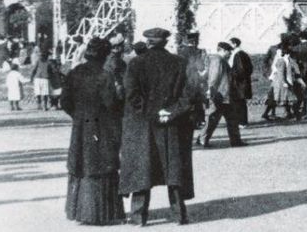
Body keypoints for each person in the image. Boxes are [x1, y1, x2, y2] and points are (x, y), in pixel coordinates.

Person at [119, 28, 195, 226]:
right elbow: (188, 95)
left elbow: (131, 94)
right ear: (165, 42)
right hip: (171, 124)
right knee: (173, 170)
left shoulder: (136, 63)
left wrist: (150, 112)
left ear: (148, 42)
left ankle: (138, 217)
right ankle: (179, 215)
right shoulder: (179, 62)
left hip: (144, 125)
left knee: (142, 169)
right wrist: (169, 111)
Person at [62, 38, 125, 225]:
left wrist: (78, 116)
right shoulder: (105, 76)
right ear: (104, 55)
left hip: (81, 126)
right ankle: (101, 213)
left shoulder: (74, 73)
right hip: (102, 126)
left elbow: (64, 101)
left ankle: (78, 211)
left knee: (81, 163)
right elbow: (110, 103)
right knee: (101, 164)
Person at [201, 42, 244, 148]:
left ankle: (236, 141)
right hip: (220, 95)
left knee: (231, 118)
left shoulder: (218, 60)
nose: (230, 54)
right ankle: (202, 139)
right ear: (223, 50)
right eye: (229, 51)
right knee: (213, 119)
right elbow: (215, 76)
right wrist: (211, 90)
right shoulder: (218, 60)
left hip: (224, 95)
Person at [263, 35, 303, 121]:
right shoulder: (286, 54)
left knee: (277, 97)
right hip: (283, 79)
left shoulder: (275, 49)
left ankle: (269, 113)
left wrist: (270, 73)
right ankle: (295, 114)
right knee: (289, 97)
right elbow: (285, 68)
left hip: (277, 78)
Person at [228, 37, 253, 126]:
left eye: (230, 43)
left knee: (239, 102)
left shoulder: (238, 54)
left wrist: (232, 75)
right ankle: (242, 121)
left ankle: (242, 122)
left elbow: (240, 70)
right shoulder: (242, 54)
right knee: (240, 102)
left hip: (238, 83)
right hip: (242, 82)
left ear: (234, 44)